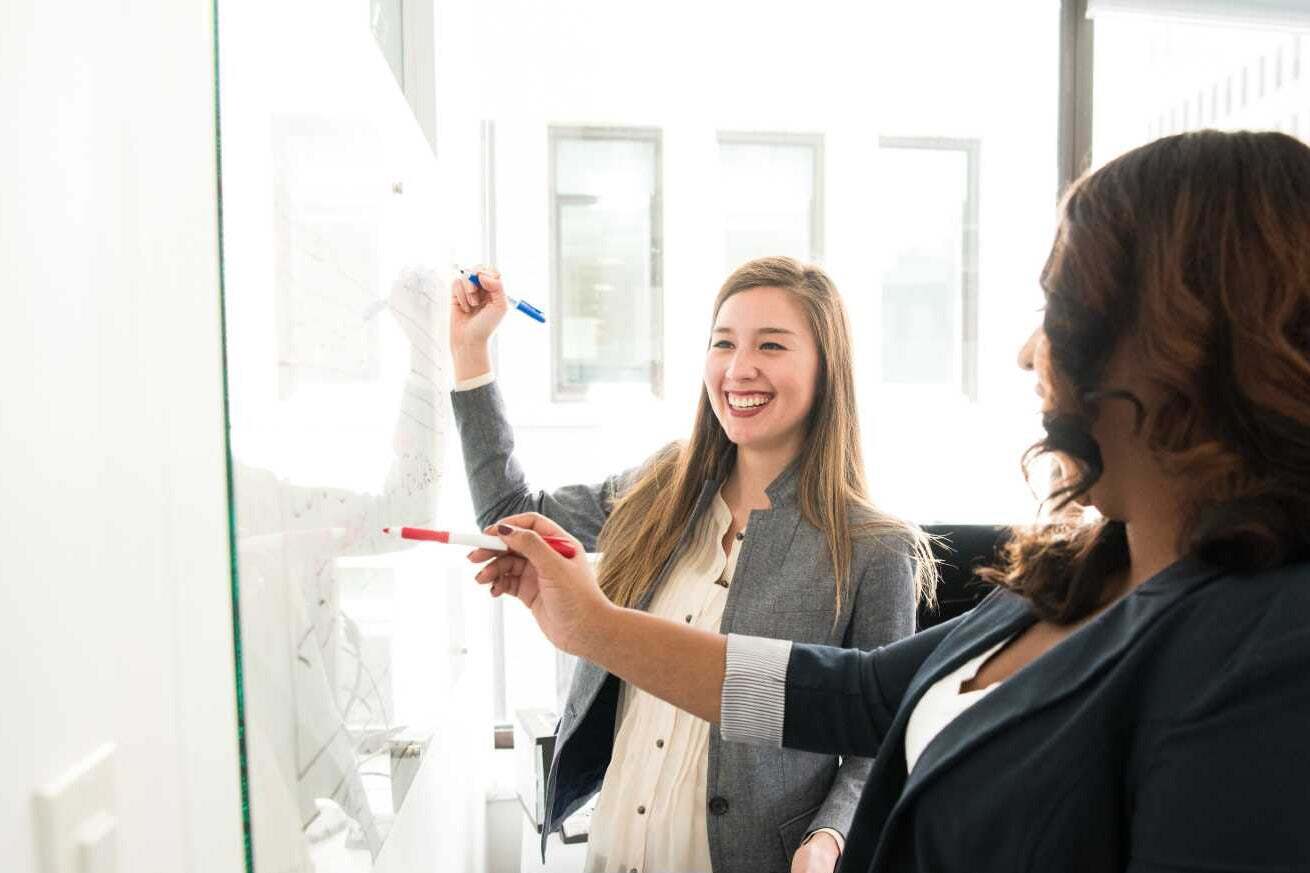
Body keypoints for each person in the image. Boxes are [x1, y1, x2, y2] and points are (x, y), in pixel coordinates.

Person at [471, 130, 1310, 872]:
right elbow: (858, 695)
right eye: (724, 342)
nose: (1026, 352)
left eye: (1062, 310)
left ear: (1181, 345)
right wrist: (595, 627)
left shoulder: (1271, 653)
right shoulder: (1078, 571)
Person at [448, 257, 935, 873]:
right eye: (723, 343)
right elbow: (512, 514)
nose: (738, 368)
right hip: (613, 852)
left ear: (826, 368)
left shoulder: (873, 546)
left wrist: (830, 837)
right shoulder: (663, 487)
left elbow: (883, 741)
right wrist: (471, 352)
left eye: (771, 345)